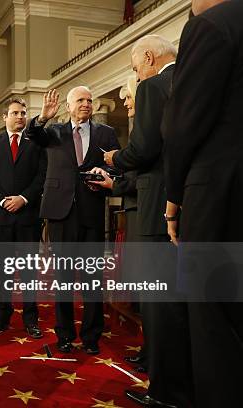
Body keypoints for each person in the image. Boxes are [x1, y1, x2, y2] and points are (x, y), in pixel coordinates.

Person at [103, 35, 193, 408]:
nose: (135, 73)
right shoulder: (191, 78)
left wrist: (114, 159)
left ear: (149, 58)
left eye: (135, 65)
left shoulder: (153, 86)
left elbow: (144, 149)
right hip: (194, 200)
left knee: (162, 303)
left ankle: (168, 393)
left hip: (159, 205)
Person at [162, 0, 243, 405]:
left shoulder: (209, 24)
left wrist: (173, 198)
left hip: (219, 196)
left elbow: (181, 127)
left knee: (215, 325)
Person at [26, 86, 120, 355]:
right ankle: (65, 334)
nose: (86, 104)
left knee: (93, 278)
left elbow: (117, 163)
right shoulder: (54, 131)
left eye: (90, 100)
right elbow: (32, 134)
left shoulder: (106, 133)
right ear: (68, 106)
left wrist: (106, 171)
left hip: (91, 210)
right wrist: (43, 116)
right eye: (80, 100)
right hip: (60, 212)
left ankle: (91, 337)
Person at [0, 97, 47, 339]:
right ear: (5, 117)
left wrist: (23, 199)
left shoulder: (36, 144)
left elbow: (41, 176)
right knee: (3, 272)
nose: (20, 117)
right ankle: (2, 318)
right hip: (1, 217)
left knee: (29, 272)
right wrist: (3, 200)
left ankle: (31, 319)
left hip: (28, 215)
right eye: (15, 113)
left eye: (23, 113)